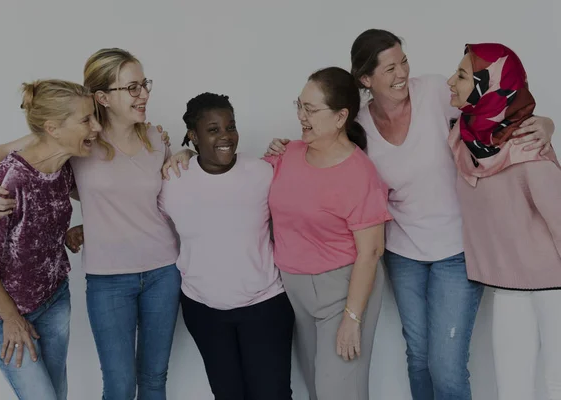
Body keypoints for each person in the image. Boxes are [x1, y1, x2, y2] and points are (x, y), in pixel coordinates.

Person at [265, 29, 556, 400]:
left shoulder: (435, 92)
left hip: (457, 250)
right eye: (388, 68)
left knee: (447, 367)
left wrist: (544, 122)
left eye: (403, 61)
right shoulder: (360, 129)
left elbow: (493, 109)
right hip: (403, 255)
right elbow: (327, 154)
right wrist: (281, 147)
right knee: (418, 358)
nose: (401, 72)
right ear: (366, 79)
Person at [164, 67, 391, 400]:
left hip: (342, 289)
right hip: (295, 290)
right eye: (299, 105)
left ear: (341, 116)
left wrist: (353, 317)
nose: (301, 116)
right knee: (317, 386)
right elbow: (227, 180)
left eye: (310, 110)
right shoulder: (288, 155)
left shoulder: (360, 173)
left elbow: (371, 251)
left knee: (338, 391)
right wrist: (187, 154)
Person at [0, 48, 180, 400]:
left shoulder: (139, 140)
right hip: (84, 287)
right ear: (103, 97)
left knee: (148, 380)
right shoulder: (65, 151)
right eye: (132, 87)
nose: (143, 93)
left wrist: (186, 151)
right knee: (118, 386)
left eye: (144, 84)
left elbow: (141, 196)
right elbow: (5, 153)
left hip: (131, 278)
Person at [0, 79, 100, 399]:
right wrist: (11, 318)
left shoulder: (63, 165)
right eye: (86, 120)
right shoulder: (11, 179)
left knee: (57, 394)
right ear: (52, 128)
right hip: (5, 315)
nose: (96, 127)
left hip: (54, 299)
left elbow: (96, 201)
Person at [160, 92, 294, 400]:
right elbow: (142, 221)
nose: (226, 137)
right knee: (228, 394)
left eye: (230, 127)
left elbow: (299, 209)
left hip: (265, 306)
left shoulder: (262, 173)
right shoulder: (173, 180)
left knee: (273, 394)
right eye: (213, 129)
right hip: (204, 310)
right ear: (193, 135)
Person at [447, 42, 561, 400]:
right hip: (508, 285)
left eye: (463, 75)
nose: (451, 81)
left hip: (553, 288)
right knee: (511, 389)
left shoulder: (528, 145)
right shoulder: (464, 137)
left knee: (557, 384)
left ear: (490, 85)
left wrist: (547, 125)